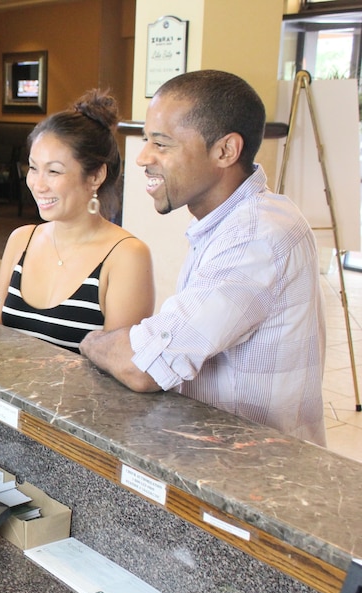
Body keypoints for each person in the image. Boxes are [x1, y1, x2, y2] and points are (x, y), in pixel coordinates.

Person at [79, 70, 326, 446]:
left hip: (255, 466)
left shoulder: (254, 236)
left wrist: (91, 342)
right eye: (146, 140)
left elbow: (144, 365)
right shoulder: (233, 221)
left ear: (225, 151)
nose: (143, 157)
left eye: (161, 144)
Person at [0, 90, 154, 352]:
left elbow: (119, 361)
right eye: (33, 168)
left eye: (54, 171)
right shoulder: (21, 239)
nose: (38, 184)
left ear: (96, 176)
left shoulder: (126, 256)